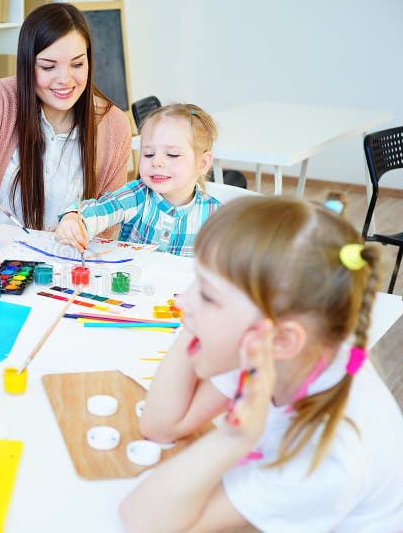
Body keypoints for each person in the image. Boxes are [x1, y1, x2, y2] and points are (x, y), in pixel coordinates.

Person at [120, 197, 403, 531]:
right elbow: (161, 425)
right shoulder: (281, 351)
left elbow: (145, 520)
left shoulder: (325, 460)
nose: (180, 300)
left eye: (209, 295)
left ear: (282, 339)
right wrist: (197, 317)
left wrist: (231, 439)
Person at [0, 3, 132, 232]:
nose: (65, 79)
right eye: (48, 67)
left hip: (68, 262)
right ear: (27, 64)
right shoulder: (0, 99)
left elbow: (111, 217)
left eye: (77, 64)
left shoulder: (113, 125)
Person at [55, 104, 220, 257]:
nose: (156, 162)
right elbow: (100, 211)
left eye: (172, 155)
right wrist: (75, 220)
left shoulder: (216, 216)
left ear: (202, 163)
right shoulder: (136, 195)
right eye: (148, 154)